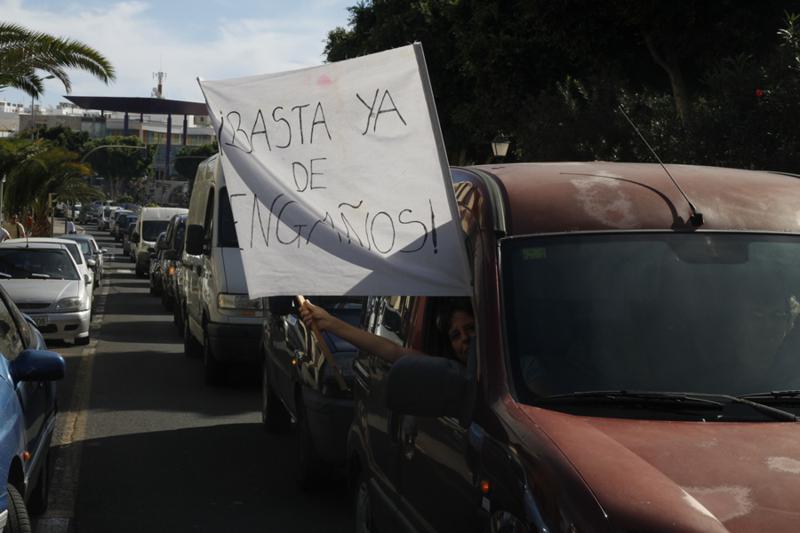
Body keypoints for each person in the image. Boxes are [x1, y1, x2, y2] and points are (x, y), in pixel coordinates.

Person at [300, 298, 475, 364]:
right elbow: (394, 351)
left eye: (470, 328)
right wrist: (329, 323)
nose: (465, 338)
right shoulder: (450, 371)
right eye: (456, 335)